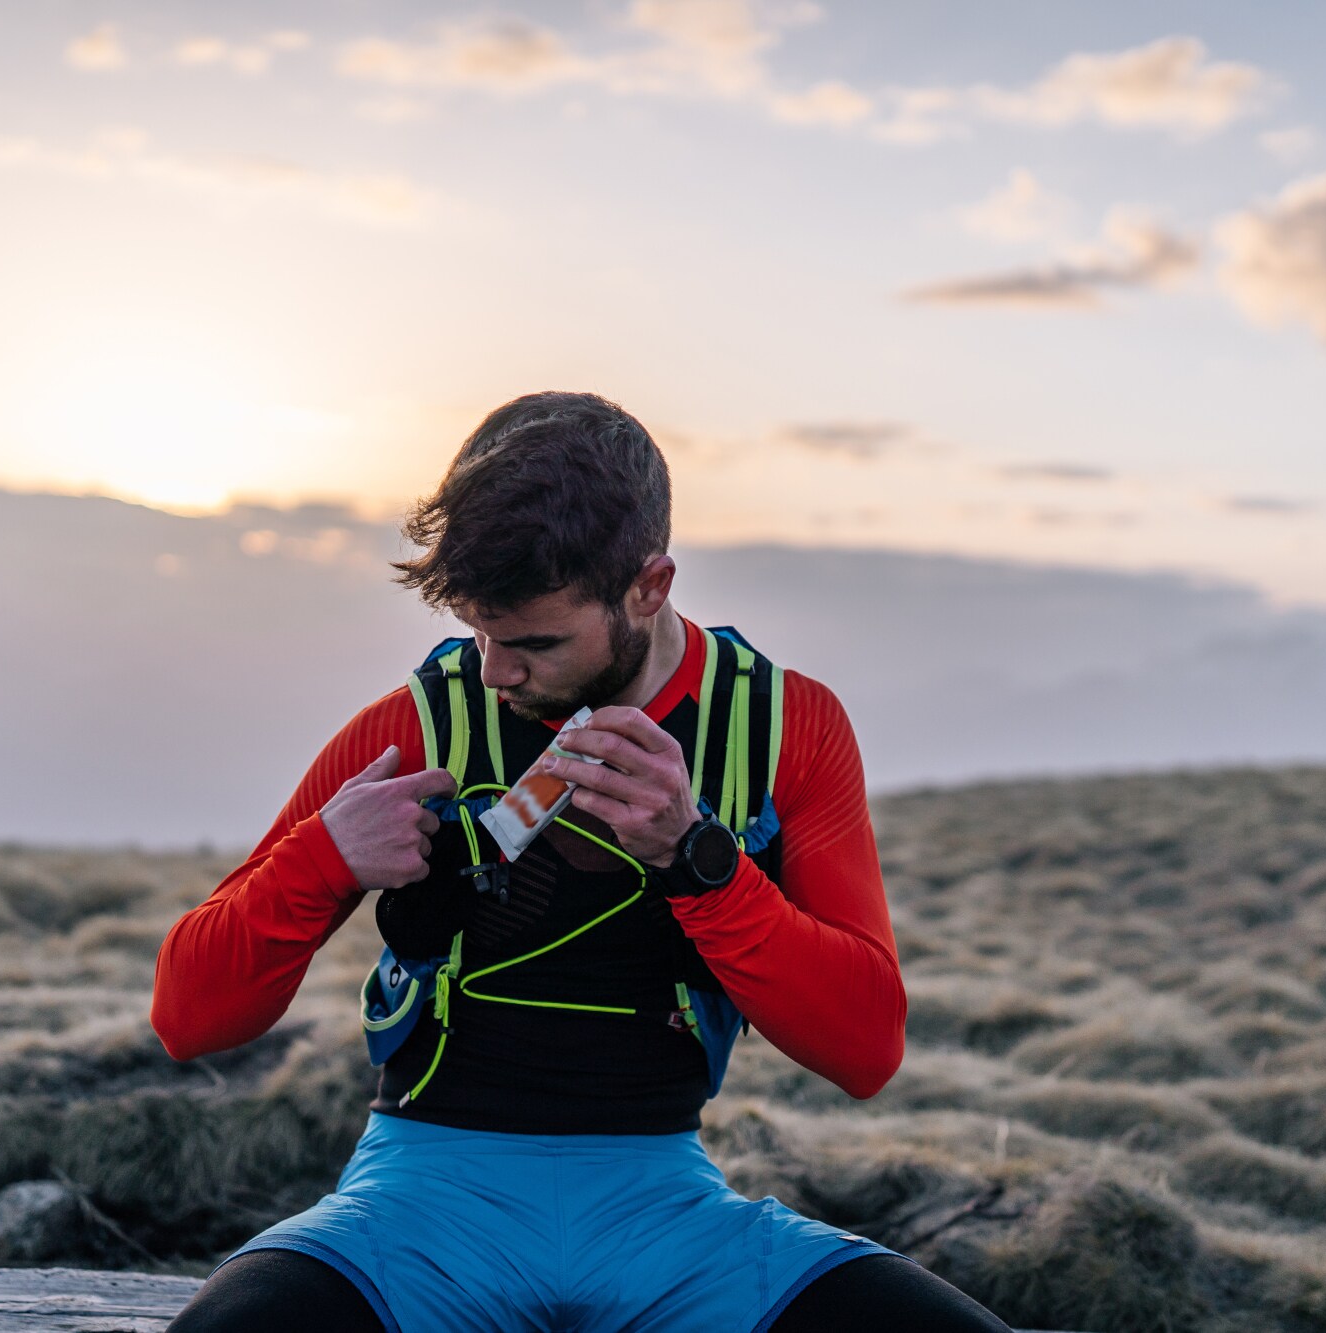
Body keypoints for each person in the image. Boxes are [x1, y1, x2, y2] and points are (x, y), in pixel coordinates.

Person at [151, 392, 1009, 1332]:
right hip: (418, 1205)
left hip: (668, 1216)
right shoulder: (420, 725)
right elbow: (188, 1015)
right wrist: (322, 857)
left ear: (650, 586)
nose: (493, 672)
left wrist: (697, 859)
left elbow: (867, 1049)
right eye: (478, 632)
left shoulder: (780, 727)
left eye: (533, 643)